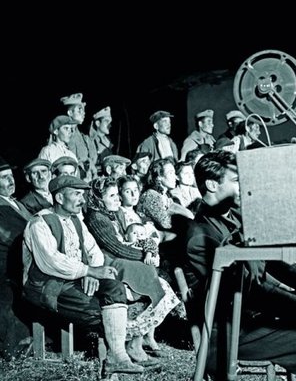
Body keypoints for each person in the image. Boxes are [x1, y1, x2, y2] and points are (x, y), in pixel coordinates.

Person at [182, 150, 296, 381]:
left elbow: (279, 264)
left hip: (259, 318)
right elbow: (252, 293)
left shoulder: (236, 216)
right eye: (237, 181)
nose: (245, 187)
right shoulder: (200, 236)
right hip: (234, 333)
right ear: (212, 185)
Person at [22, 175, 143, 374]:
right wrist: (88, 270)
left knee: (115, 287)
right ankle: (113, 358)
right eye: (76, 194)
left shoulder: (75, 219)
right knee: (99, 312)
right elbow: (51, 262)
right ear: (59, 198)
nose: (82, 200)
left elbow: (93, 250)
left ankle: (117, 357)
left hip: (75, 279)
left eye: (82, 195)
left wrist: (92, 273)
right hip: (47, 286)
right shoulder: (40, 223)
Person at [84, 176, 180, 363]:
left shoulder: (114, 213)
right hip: (108, 262)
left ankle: (136, 342)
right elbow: (115, 247)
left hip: (120, 258)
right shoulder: (96, 218)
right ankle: (131, 343)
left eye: (117, 195)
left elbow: (127, 241)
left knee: (155, 279)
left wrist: (149, 251)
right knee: (149, 275)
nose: (118, 199)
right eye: (112, 196)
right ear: (99, 199)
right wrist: (143, 255)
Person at [0, 157, 32, 358]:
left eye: (11, 176)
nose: (10, 180)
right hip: (7, 267)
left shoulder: (16, 203)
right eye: (4, 177)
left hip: (22, 260)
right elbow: (11, 237)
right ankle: (13, 347)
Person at [60, 93, 98, 182]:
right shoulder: (64, 134)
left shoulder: (80, 134)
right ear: (70, 113)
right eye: (79, 110)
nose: (83, 113)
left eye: (83, 110)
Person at [89, 106, 114, 171]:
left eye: (110, 122)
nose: (110, 125)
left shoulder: (108, 141)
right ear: (98, 123)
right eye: (106, 121)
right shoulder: (91, 141)